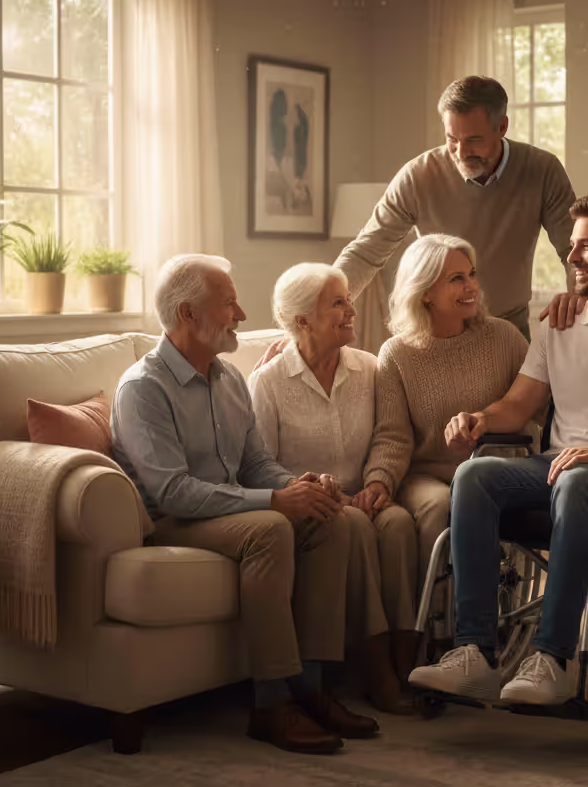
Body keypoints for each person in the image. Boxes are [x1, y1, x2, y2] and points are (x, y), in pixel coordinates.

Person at [409, 194, 588, 706]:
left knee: (577, 480)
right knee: (475, 475)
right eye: (572, 245)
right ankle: (475, 652)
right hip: (559, 467)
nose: (571, 257)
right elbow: (519, 404)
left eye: (587, 246)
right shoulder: (558, 324)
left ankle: (553, 660)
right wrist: (481, 419)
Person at [110, 254, 378, 755]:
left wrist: (300, 487)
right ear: (188, 314)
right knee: (270, 529)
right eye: (229, 304)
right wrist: (275, 501)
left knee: (329, 518)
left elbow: (255, 464)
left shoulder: (229, 378)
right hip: (172, 521)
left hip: (227, 510)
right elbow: (172, 492)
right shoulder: (143, 389)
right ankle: (271, 705)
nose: (241, 315)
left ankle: (312, 689)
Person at [248, 263, 419, 715]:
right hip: (308, 503)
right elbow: (258, 464)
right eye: (338, 303)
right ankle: (377, 669)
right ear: (302, 320)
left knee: (400, 525)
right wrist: (316, 492)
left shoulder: (371, 368)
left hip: (367, 493)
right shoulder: (268, 382)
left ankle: (408, 662)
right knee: (356, 526)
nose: (351, 310)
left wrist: (378, 482)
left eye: (348, 300)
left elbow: (389, 434)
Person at [359, 234, 528, 631]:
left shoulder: (504, 337)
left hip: (495, 472)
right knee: (437, 505)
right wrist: (379, 479)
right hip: (428, 474)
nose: (471, 287)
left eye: (472, 275)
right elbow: (392, 435)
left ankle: (469, 629)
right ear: (424, 292)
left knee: (469, 498)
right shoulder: (396, 354)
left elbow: (536, 404)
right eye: (456, 279)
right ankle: (434, 630)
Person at [335, 76, 576, 340]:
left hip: (509, 332)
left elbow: (574, 250)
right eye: (452, 139)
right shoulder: (418, 176)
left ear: (502, 127)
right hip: (434, 333)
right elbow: (366, 252)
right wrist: (325, 302)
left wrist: (579, 294)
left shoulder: (542, 170)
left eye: (474, 140)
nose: (461, 152)